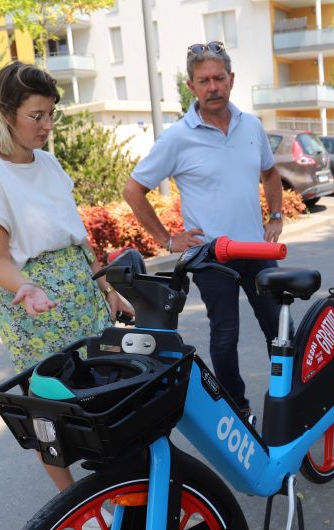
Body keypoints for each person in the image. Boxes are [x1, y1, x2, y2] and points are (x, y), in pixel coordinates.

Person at [0, 62, 134, 509]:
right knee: (52, 413)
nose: (46, 125)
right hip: (34, 304)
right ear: (5, 114)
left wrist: (108, 289)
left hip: (80, 291)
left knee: (102, 395)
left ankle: (118, 489)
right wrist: (27, 288)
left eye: (50, 114)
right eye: (35, 116)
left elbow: (78, 237)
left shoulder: (50, 163)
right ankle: (78, 504)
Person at [123, 41, 284, 421]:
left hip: (255, 250)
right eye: (203, 80)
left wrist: (276, 214)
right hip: (211, 255)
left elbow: (271, 172)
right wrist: (167, 239)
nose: (213, 86)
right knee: (225, 335)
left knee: (278, 328)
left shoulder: (251, 126)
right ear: (191, 86)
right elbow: (133, 190)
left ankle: (288, 396)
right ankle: (238, 408)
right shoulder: (178, 137)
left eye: (219, 78)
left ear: (231, 80)